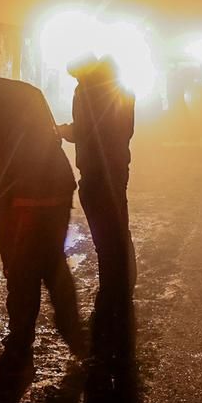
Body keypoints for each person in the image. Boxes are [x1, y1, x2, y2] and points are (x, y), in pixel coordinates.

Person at [0, 60, 87, 365]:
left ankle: (21, 343)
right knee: (54, 266)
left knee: (23, 273)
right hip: (58, 191)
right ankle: (76, 339)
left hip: (23, 201)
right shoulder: (28, 91)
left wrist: (5, 212)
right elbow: (54, 138)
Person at [60, 55, 136, 310]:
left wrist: (62, 131)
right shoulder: (120, 86)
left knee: (105, 235)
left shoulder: (88, 90)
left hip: (96, 171)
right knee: (117, 229)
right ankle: (121, 286)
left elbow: (87, 129)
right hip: (116, 166)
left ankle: (112, 292)